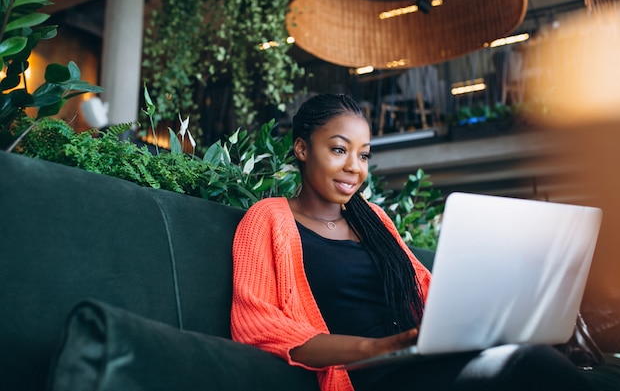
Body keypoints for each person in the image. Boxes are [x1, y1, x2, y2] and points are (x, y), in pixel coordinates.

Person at [230, 93, 599, 391]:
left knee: (530, 355)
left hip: (417, 360)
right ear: (302, 149)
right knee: (529, 365)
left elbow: (428, 291)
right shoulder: (268, 218)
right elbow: (258, 325)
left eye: (364, 154)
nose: (354, 167)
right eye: (339, 150)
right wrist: (378, 348)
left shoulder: (373, 219)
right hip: (370, 373)